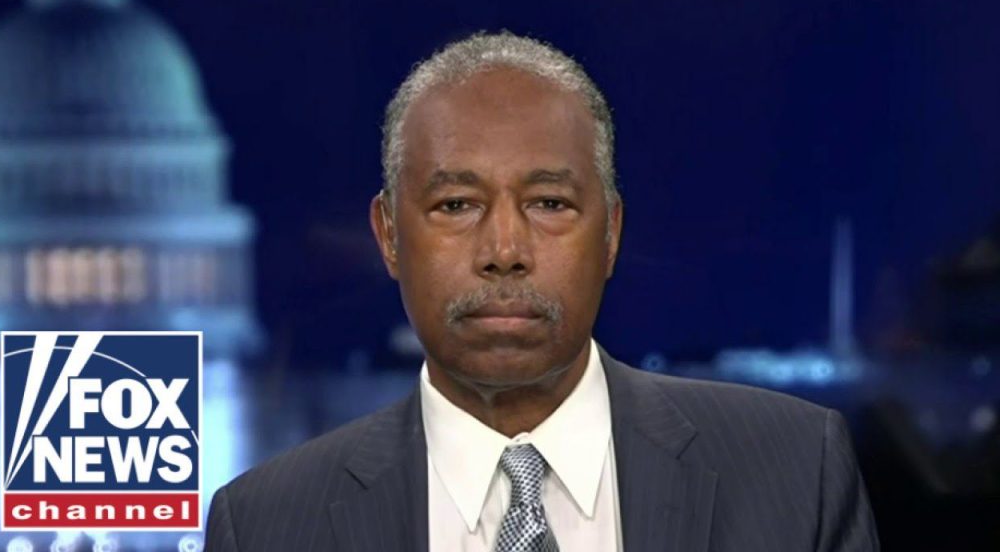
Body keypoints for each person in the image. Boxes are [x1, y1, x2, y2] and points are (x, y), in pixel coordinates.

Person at [205, 31, 880, 552]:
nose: (504, 252)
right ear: (387, 235)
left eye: (550, 203)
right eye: (456, 205)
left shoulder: (797, 475)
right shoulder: (267, 526)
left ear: (611, 232)